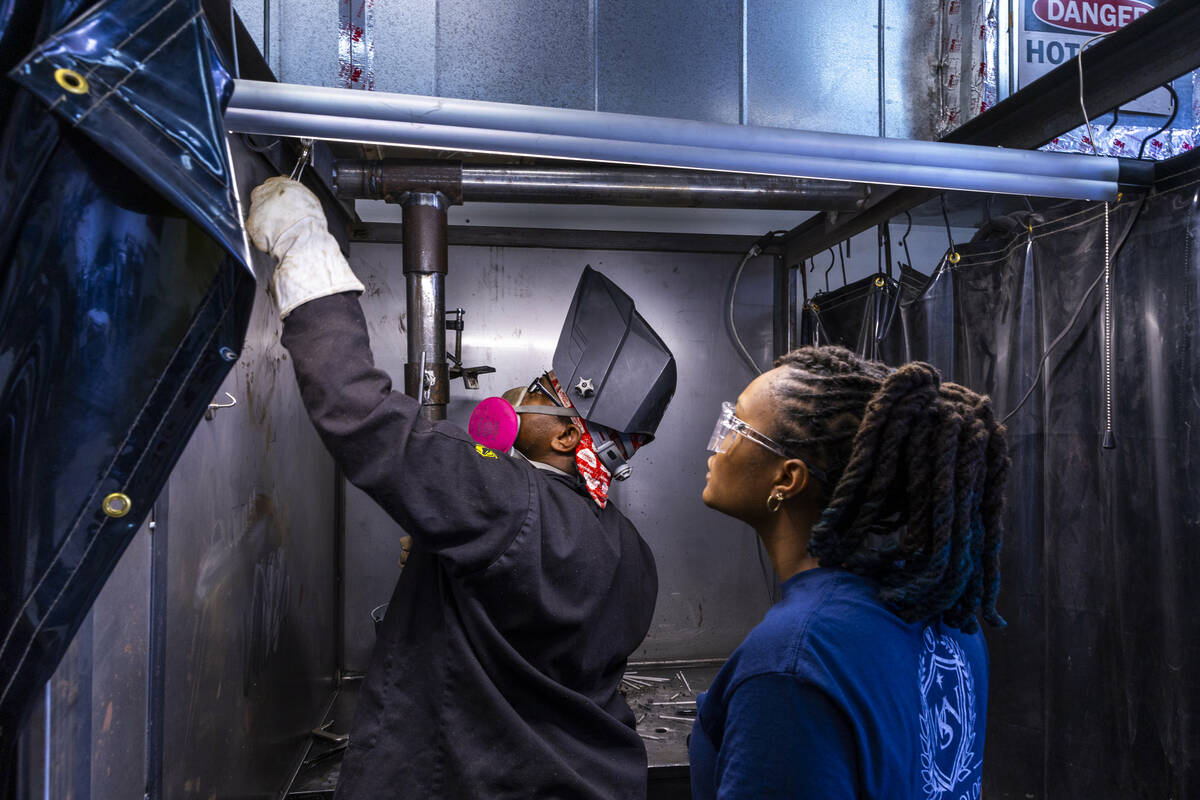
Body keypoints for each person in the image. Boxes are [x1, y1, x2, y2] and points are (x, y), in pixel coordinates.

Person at [245, 177, 676, 799]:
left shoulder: (507, 498)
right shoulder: (633, 551)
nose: (513, 397)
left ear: (564, 439)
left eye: (537, 393)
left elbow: (359, 412)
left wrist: (304, 250)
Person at [690, 346, 1008, 799]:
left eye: (736, 427)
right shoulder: (948, 619)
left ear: (787, 479)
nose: (719, 446)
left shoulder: (793, 663)